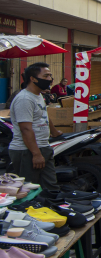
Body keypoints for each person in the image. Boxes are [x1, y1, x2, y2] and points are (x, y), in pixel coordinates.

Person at [8, 63, 62, 192]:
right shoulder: (24, 99)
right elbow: (25, 129)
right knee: (29, 190)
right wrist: (36, 154)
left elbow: (43, 115)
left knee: (51, 188)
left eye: (50, 75)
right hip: (27, 151)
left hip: (43, 146)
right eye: (46, 75)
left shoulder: (38, 95)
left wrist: (54, 132)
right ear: (33, 78)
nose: (50, 79)